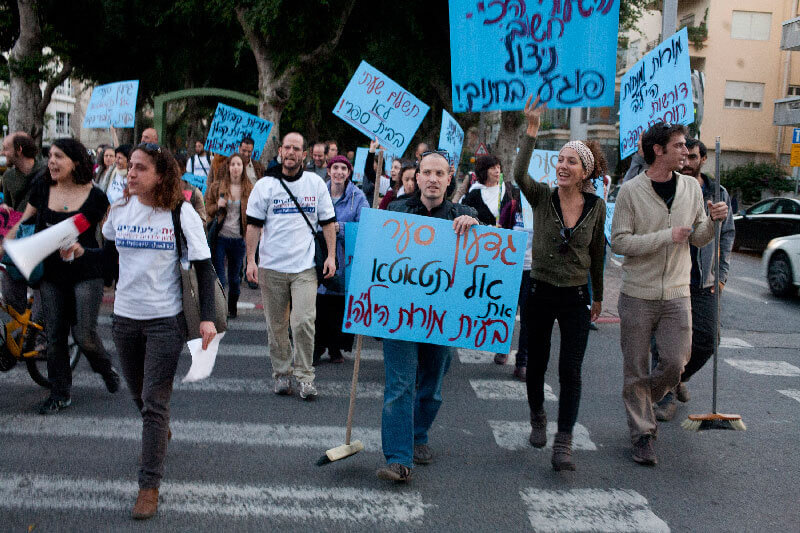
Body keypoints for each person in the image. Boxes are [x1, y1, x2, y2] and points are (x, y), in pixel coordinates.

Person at [103, 142, 217, 519]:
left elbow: (203, 267)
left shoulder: (180, 213)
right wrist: (79, 255)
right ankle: (159, 429)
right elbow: (109, 258)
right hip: (124, 319)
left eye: (141, 168)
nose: (131, 173)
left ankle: (148, 485)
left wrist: (207, 318)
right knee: (138, 395)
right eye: (130, 166)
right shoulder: (119, 209)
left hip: (165, 321)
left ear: (161, 175)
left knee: (154, 401)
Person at [611, 123, 728, 466]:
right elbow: (619, 242)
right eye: (678, 146)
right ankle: (642, 435)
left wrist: (714, 221)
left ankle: (640, 396)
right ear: (658, 150)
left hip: (677, 293)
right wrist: (666, 236)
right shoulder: (631, 191)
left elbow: (699, 236)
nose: (686, 152)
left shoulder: (691, 188)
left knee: (676, 364)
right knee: (635, 366)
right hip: (638, 293)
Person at [513, 95, 607, 471]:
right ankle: (537, 414)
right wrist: (532, 130)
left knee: (570, 370)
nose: (563, 166)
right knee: (536, 364)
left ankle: (564, 440)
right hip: (539, 291)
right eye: (560, 160)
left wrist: (598, 295)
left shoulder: (596, 207)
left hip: (575, 296)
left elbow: (597, 252)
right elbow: (519, 174)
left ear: (584, 172)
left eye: (571, 162)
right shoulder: (541, 196)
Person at [375, 150, 479, 483]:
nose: (433, 179)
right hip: (400, 316)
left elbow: (483, 258)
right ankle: (398, 458)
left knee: (432, 387)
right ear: (417, 177)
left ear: (449, 179)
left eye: (440, 173)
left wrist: (475, 228)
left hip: (442, 321)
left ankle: (418, 434)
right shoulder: (395, 211)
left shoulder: (465, 214)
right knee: (400, 386)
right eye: (427, 173)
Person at [10, 138, 119, 414]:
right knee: (55, 335)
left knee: (83, 335)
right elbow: (24, 221)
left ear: (76, 162)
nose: (52, 162)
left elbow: (108, 236)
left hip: (86, 272)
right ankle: (60, 394)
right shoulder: (42, 187)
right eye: (50, 156)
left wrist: (93, 254)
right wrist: (5, 246)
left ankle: (105, 367)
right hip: (51, 273)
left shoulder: (96, 197)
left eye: (59, 156)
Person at [245, 132, 336, 400]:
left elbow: (328, 222)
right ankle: (282, 373)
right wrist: (250, 260)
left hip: (304, 267)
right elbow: (253, 226)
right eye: (287, 147)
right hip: (271, 267)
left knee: (303, 322)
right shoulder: (265, 185)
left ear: (304, 155)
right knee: (276, 326)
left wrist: (331, 256)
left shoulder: (315, 184)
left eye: (297, 148)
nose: (291, 152)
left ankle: (306, 377)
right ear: (280, 152)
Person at [652, 138, 735, 421]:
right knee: (664, 343)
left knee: (708, 339)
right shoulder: (668, 187)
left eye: (693, 157)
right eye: (684, 156)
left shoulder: (718, 192)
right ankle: (664, 397)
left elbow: (727, 234)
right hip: (670, 278)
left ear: (703, 159)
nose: (687, 162)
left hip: (703, 282)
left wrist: (721, 275)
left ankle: (676, 379)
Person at [313, 155, 369, 364]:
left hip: (345, 259)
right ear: (329, 171)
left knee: (339, 306)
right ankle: (316, 348)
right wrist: (324, 230)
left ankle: (335, 348)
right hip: (319, 256)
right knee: (319, 305)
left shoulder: (358, 197)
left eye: (343, 168)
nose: (339, 172)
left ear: (349, 173)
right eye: (335, 167)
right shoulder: (318, 192)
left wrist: (341, 228)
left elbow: (365, 226)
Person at [0, 132, 47, 313]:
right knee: (12, 307)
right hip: (16, 243)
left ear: (19, 150)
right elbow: (10, 208)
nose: (3, 153)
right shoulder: (8, 177)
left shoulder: (46, 173)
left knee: (43, 313)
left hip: (42, 244)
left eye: (6, 148)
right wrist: (5, 207)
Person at [205, 153, 253, 318]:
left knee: (234, 278)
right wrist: (217, 206)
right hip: (220, 237)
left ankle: (232, 307)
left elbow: (255, 214)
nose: (235, 168)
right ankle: (220, 310)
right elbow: (207, 209)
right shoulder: (217, 187)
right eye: (233, 164)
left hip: (238, 239)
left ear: (243, 167)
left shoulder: (249, 189)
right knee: (219, 277)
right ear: (228, 167)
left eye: (239, 164)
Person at [498, 186, 533, 382]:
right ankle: (501, 347)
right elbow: (500, 233)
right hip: (510, 269)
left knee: (528, 318)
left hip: (533, 272)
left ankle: (522, 362)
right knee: (506, 312)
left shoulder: (546, 210)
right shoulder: (512, 207)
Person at [461, 154, 513, 226]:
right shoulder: (475, 193)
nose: (497, 171)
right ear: (484, 171)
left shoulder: (508, 191)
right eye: (493, 168)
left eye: (498, 167)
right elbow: (465, 217)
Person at [362, 137, 391, 206]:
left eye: (396, 168)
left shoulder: (389, 181)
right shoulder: (376, 178)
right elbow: (368, 170)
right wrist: (372, 150)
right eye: (392, 167)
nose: (393, 170)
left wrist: (383, 200)